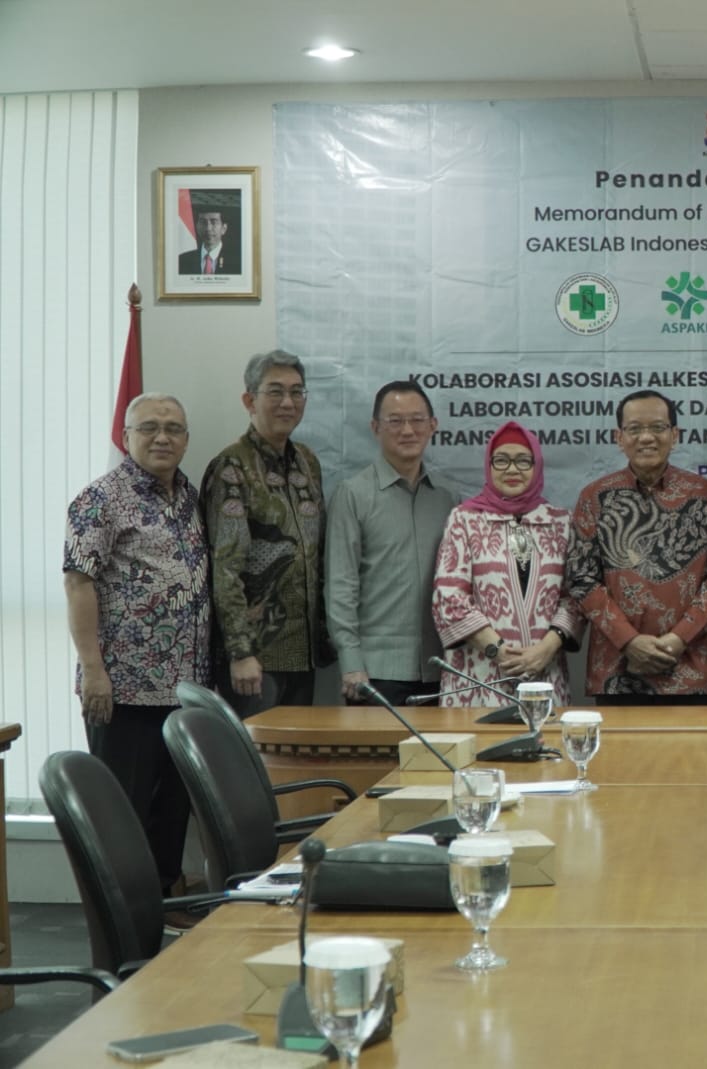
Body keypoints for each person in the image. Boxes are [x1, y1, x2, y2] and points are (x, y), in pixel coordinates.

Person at [63, 393, 209, 905]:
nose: (163, 437)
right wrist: (92, 668)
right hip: (122, 690)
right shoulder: (100, 499)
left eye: (173, 427)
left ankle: (164, 908)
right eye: (149, 427)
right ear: (126, 437)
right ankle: (121, 921)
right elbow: (79, 583)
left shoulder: (189, 497)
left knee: (172, 810)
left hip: (183, 690)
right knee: (121, 814)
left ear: (187, 438)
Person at [565, 390, 707, 701]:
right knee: (618, 752)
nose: (646, 438)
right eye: (634, 429)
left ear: (674, 435)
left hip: (689, 671)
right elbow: (581, 579)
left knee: (694, 752)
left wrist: (679, 639)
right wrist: (628, 641)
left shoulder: (705, 495)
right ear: (619, 437)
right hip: (617, 670)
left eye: (657, 427)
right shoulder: (595, 497)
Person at [201, 350, 327, 716]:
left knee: (297, 763)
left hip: (303, 655)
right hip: (256, 659)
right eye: (275, 391)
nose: (288, 402)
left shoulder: (308, 462)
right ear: (249, 400)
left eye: (296, 392)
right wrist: (241, 652)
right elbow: (225, 568)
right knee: (256, 767)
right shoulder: (231, 466)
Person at [434, 422, 584, 706]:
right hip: (478, 679)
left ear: (537, 465)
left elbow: (576, 597)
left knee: (544, 749)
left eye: (523, 460)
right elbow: (449, 597)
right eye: (501, 460)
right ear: (488, 466)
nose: (512, 469)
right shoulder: (464, 520)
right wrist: (497, 650)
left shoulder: (560, 522)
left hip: (545, 676)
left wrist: (545, 649)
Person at [325, 381, 456, 706]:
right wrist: (351, 662)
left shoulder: (448, 498)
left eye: (417, 420)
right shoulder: (353, 495)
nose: (408, 430)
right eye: (395, 421)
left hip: (442, 670)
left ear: (433, 425)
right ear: (375, 427)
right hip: (374, 673)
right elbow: (341, 586)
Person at [177, 191, 239, 275]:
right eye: (203, 222)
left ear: (224, 228)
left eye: (214, 222)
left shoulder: (237, 261)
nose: (208, 228)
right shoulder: (183, 260)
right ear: (197, 226)